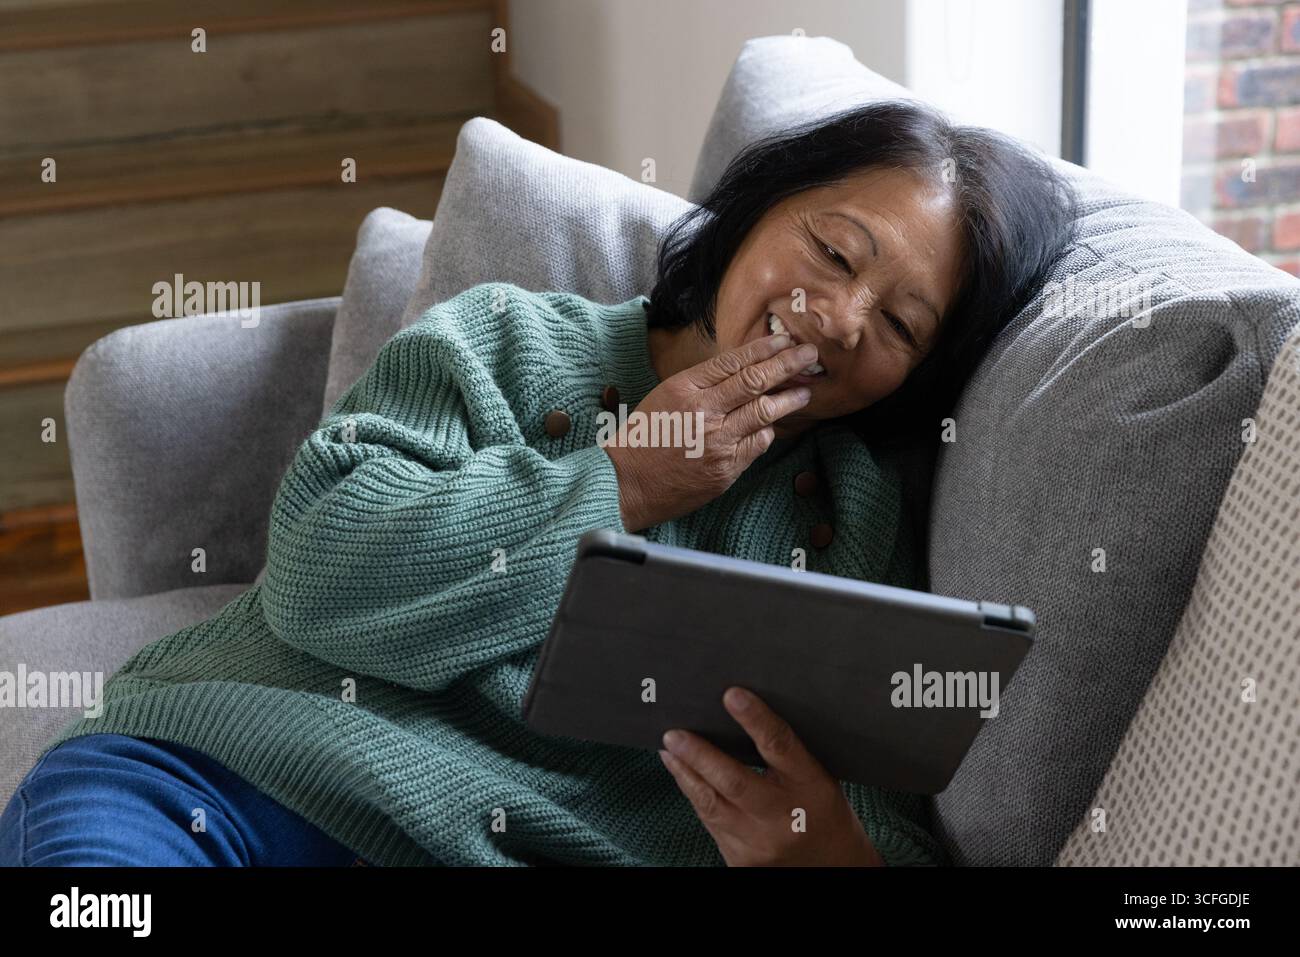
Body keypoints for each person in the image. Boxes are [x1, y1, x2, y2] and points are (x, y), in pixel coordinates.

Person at [0, 100, 1077, 867]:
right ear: (761, 209)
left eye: (897, 325)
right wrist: (620, 483)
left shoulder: (850, 512)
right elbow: (321, 578)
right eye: (835, 251)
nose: (840, 319)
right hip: (220, 788)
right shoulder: (510, 342)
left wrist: (828, 850)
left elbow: (883, 790)